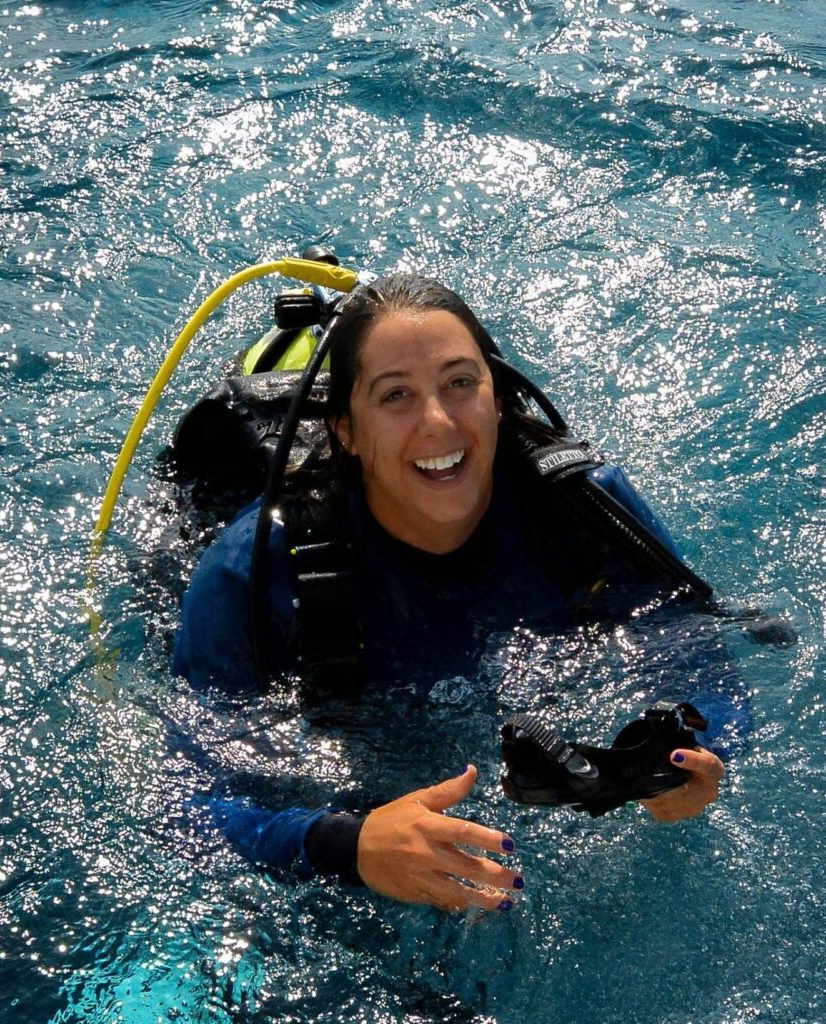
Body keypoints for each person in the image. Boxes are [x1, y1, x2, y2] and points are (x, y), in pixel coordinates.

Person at [172, 273, 738, 913]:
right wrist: (346, 845)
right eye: (395, 396)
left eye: (460, 383)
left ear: (498, 398)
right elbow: (184, 800)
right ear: (347, 431)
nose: (438, 422)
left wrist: (695, 756)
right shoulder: (248, 574)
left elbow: (701, 661)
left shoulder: (585, 510)